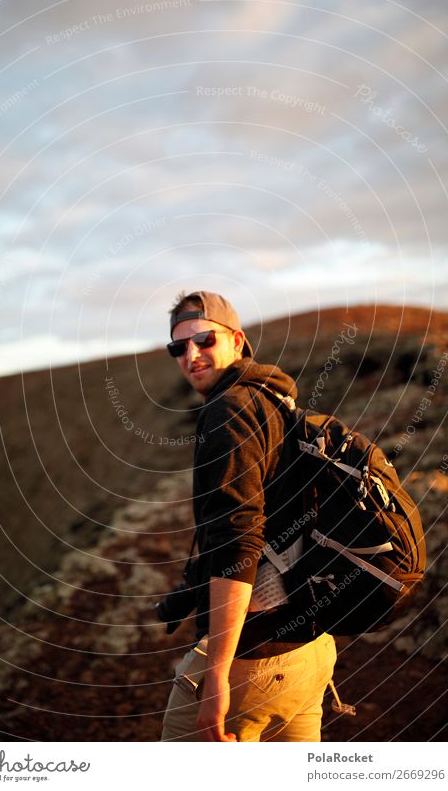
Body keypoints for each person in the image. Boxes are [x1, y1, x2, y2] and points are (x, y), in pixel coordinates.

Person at [160, 290, 337, 743]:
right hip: (311, 653)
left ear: (237, 341)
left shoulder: (230, 410)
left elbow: (237, 542)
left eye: (203, 340)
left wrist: (216, 676)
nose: (191, 355)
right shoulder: (276, 399)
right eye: (178, 347)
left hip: (253, 662)